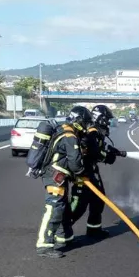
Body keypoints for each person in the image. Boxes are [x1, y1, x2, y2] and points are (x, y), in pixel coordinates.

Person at [35, 106, 90, 258]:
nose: (86, 126)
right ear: (78, 121)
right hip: (55, 176)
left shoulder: (63, 129)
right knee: (54, 208)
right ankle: (44, 245)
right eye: (85, 123)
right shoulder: (69, 136)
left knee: (63, 208)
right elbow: (74, 162)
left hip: (58, 175)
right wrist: (81, 173)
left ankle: (65, 238)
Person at [71, 105, 126, 239]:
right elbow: (94, 152)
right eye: (107, 119)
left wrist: (113, 151)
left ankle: (94, 230)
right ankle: (61, 230)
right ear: (100, 118)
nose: (108, 122)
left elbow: (98, 148)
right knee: (79, 205)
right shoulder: (92, 131)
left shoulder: (96, 132)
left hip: (92, 171)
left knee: (98, 200)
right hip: (84, 173)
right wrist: (108, 156)